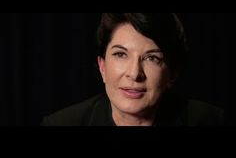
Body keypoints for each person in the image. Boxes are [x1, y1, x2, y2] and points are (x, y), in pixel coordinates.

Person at [41, 13, 224, 126]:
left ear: (172, 74)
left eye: (152, 58)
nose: (135, 73)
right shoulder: (61, 124)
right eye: (120, 55)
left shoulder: (211, 121)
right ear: (102, 66)